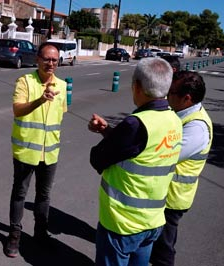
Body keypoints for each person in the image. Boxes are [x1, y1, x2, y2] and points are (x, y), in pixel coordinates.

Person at [88, 57, 183, 266]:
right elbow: (138, 151)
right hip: (152, 221)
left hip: (123, 223)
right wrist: (107, 131)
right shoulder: (174, 119)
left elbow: (97, 158)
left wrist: (109, 136)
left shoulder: (136, 124)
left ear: (137, 87)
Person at [4, 42, 67, 258]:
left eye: (54, 60)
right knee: (20, 194)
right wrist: (40, 100)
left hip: (49, 152)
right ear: (38, 60)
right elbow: (17, 110)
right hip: (26, 151)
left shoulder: (62, 85)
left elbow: (60, 116)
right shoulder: (25, 81)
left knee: (44, 196)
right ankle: (14, 235)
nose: (51, 63)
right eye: (47, 59)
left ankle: (40, 233)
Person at [150, 71, 213, 266]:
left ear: (187, 98)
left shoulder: (197, 127)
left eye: (171, 92)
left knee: (163, 248)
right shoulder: (178, 112)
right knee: (153, 243)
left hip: (172, 198)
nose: (166, 95)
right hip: (162, 193)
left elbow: (164, 155)